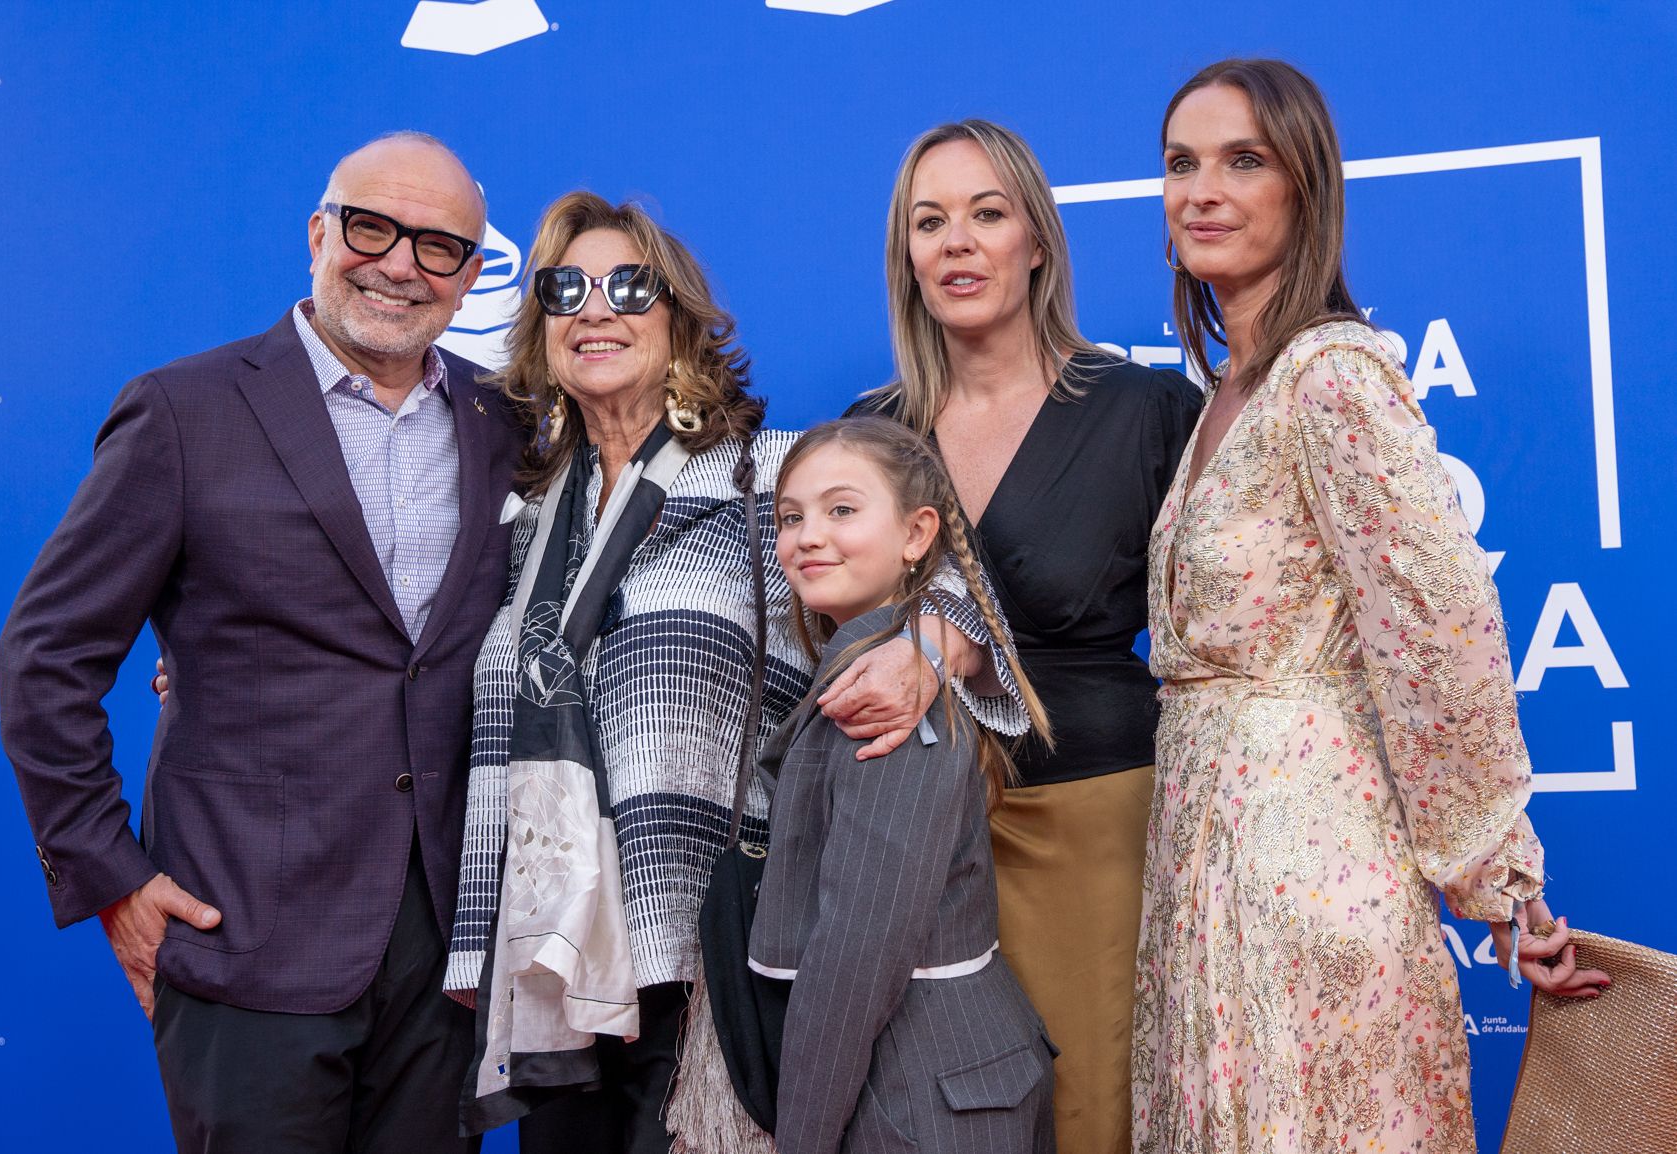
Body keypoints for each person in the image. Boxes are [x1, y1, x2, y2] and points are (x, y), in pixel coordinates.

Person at [444, 191, 1028, 1149]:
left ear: (677, 319)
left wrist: (925, 652)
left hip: (712, 953)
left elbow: (964, 587)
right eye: (566, 288)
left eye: (628, 286)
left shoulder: (772, 478)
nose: (596, 309)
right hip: (554, 964)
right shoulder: (518, 517)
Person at [0, 132, 517, 1152]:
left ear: (469, 278)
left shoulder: (508, 423)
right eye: (373, 227)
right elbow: (45, 654)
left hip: (449, 958)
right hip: (242, 936)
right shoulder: (186, 411)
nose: (402, 263)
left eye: (440, 246)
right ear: (318, 234)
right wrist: (111, 873)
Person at [1136, 58, 1609, 1152]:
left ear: (1307, 186)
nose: (1200, 190)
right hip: (1206, 867)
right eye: (1179, 163)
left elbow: (1440, 635)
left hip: (1311, 871)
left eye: (1241, 160)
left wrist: (1502, 885)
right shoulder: (1229, 396)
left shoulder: (1333, 378)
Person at [851, 119, 1202, 1153]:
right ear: (907, 258)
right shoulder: (872, 435)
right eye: (931, 221)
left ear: (1037, 240)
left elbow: (1214, 637)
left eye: (987, 213)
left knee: (1094, 1111)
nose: (958, 241)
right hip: (919, 840)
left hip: (1093, 823)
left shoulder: (1148, 411)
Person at [751, 417, 1059, 1154]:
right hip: (941, 1084)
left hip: (922, 1094)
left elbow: (857, 954)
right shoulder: (873, 665)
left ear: (918, 534)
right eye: (790, 517)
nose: (807, 536)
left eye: (841, 510)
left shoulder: (884, 703)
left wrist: (802, 1139)